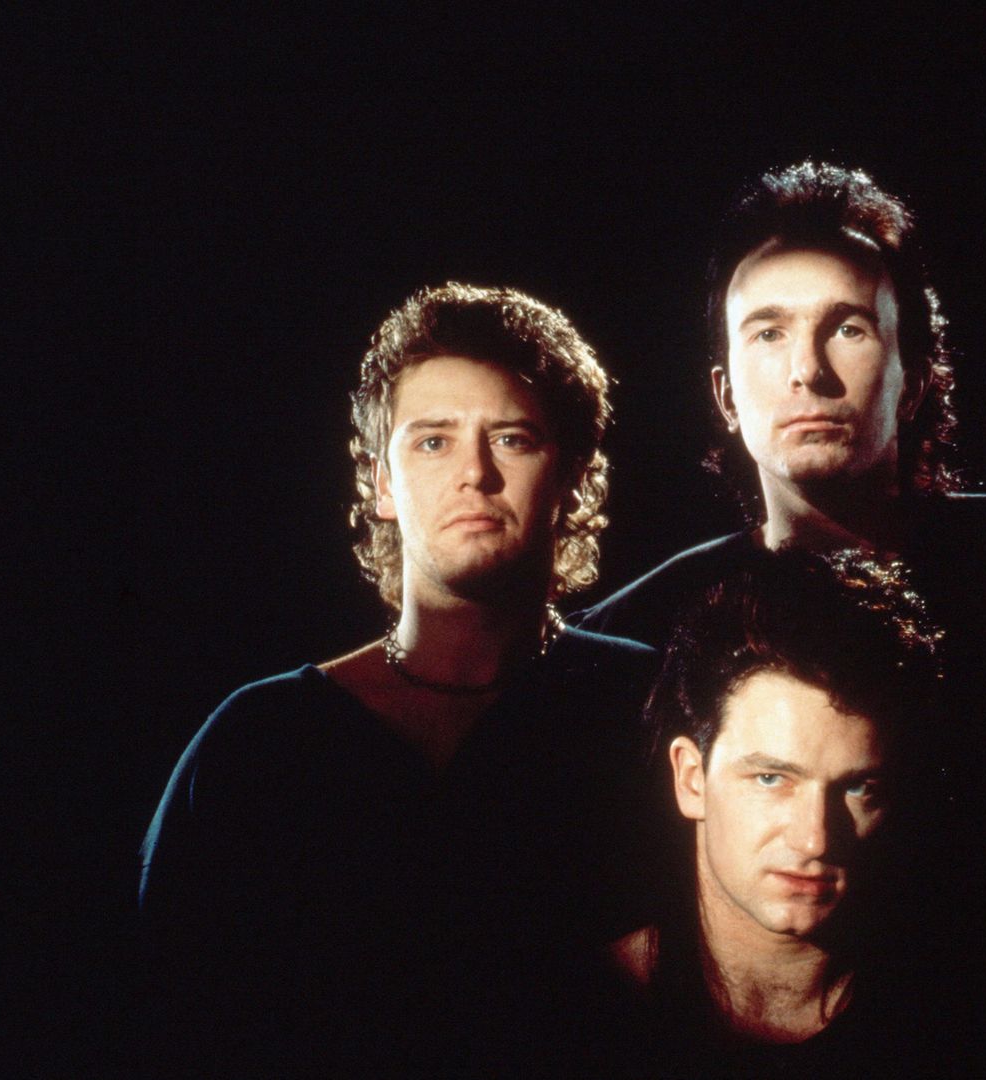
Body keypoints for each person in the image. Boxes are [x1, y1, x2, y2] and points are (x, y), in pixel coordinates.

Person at [572, 162, 986, 938]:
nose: (808, 371)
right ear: (725, 395)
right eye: (768, 333)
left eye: (848, 328)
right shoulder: (641, 634)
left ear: (913, 378)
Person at [138, 283, 656, 1073]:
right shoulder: (261, 744)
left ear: (574, 479)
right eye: (432, 441)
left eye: (513, 439)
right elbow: (163, 1015)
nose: (474, 474)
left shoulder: (658, 713)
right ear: (381, 483)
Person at [581, 549, 984, 1076]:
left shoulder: (958, 1026)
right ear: (690, 778)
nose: (815, 838)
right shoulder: (579, 1013)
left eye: (858, 788)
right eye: (772, 778)